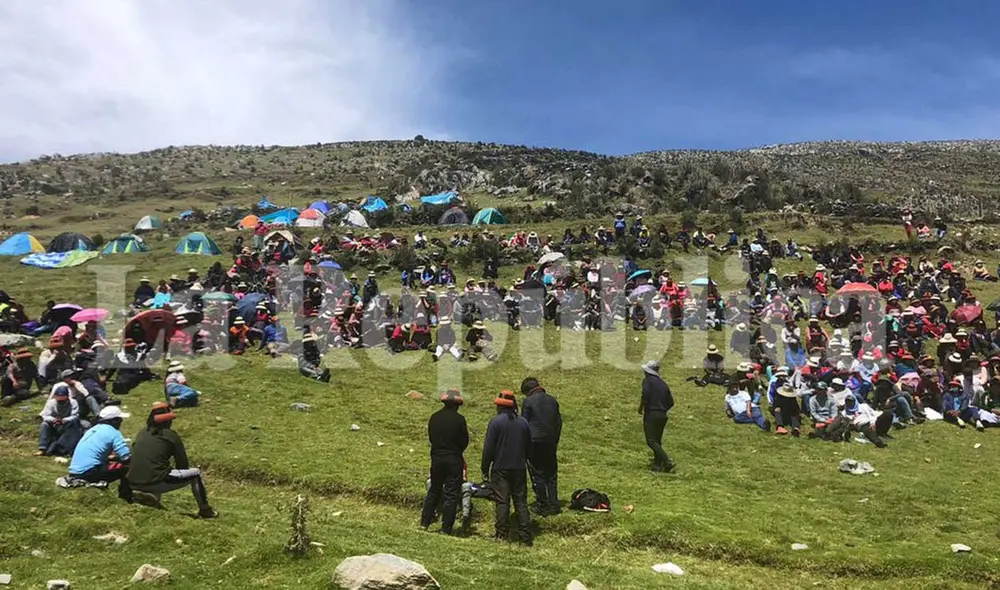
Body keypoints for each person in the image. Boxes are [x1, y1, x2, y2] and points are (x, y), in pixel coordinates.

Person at [125, 402, 217, 518]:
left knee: (155, 468)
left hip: (132, 481)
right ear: (168, 421)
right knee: (195, 475)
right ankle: (205, 510)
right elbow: (182, 465)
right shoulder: (171, 435)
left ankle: (149, 499)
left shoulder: (142, 432)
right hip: (154, 481)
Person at [481, 391, 533, 546]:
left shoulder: (495, 422)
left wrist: (485, 466)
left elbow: (489, 448)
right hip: (519, 467)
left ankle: (502, 534)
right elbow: (529, 446)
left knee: (502, 501)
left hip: (500, 468)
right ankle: (525, 536)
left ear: (499, 406)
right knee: (521, 502)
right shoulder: (523, 422)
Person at [420, 390, 469, 535]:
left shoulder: (434, 417)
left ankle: (425, 522)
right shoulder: (460, 420)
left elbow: (431, 438)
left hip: (437, 458)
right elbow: (464, 441)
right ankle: (446, 528)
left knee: (434, 490)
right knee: (451, 494)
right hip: (454, 459)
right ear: (457, 405)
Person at [62, 406, 132, 497]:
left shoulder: (93, 429)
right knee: (128, 467)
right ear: (114, 420)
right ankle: (126, 495)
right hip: (89, 472)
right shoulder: (113, 432)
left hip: (75, 471)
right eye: (119, 419)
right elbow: (126, 457)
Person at [521, 377, 562, 516]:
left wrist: (524, 445)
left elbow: (524, 424)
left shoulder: (528, 402)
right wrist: (555, 440)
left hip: (534, 441)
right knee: (551, 473)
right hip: (551, 441)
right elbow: (558, 423)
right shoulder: (552, 400)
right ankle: (554, 503)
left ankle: (542, 504)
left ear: (527, 391)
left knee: (537, 472)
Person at [638, 360, 675, 472]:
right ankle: (657, 464)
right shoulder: (663, 384)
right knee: (657, 440)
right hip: (662, 415)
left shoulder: (648, 381)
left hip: (652, 413)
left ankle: (667, 461)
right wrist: (662, 409)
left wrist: (641, 408)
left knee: (651, 441)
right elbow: (671, 402)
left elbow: (645, 394)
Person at [36, 384, 82, 457]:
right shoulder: (51, 403)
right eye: (58, 398)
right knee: (44, 425)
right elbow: (45, 415)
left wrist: (65, 420)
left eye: (62, 399)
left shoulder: (73, 402)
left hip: (67, 423)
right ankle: (42, 448)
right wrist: (53, 420)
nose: (60, 401)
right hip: (54, 424)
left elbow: (75, 415)